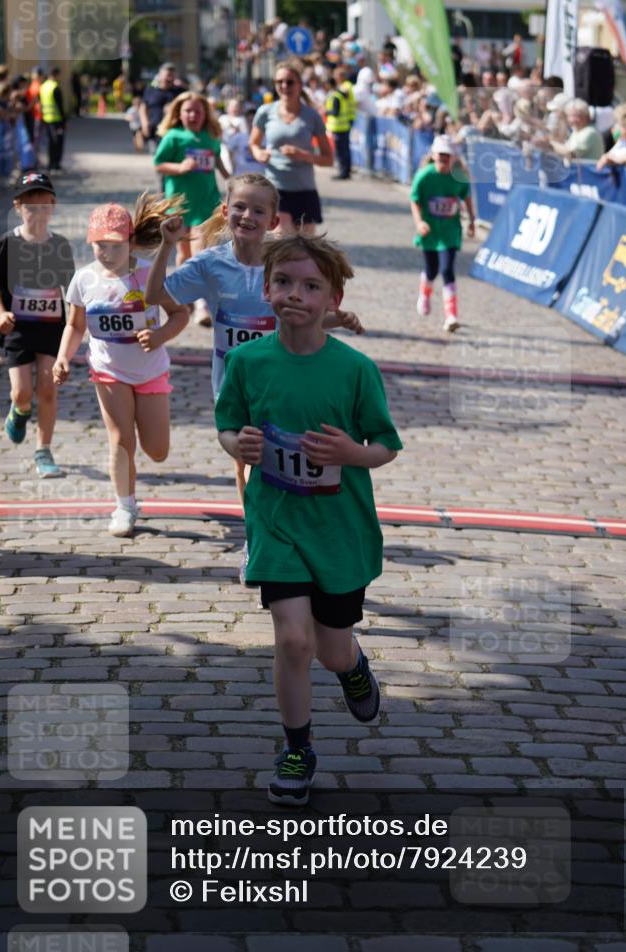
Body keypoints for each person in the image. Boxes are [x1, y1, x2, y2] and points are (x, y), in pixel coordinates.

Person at [214, 233, 402, 805]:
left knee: (330, 648)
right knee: (294, 640)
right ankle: (298, 748)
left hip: (339, 531)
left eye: (312, 285)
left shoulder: (354, 369)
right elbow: (228, 425)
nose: (296, 294)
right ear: (267, 288)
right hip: (276, 523)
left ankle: (352, 668)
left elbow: (386, 444)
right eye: (285, 282)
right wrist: (237, 444)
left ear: (333, 298)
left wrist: (351, 454)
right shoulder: (247, 362)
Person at [144, 173, 364, 579]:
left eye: (259, 210)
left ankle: (289, 536)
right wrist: (168, 246)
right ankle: (257, 538)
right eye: (240, 207)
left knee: (282, 460)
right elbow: (156, 295)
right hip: (233, 386)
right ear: (226, 211)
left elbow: (301, 314)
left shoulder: (282, 263)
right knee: (247, 465)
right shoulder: (211, 264)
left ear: (272, 220)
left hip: (284, 381)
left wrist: (338, 319)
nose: (248, 216)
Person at [52, 197, 189, 536]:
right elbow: (75, 325)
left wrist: (158, 337)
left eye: (114, 245)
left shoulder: (149, 276)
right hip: (108, 369)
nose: (105, 252)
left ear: (130, 242)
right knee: (121, 438)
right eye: (99, 244)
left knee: (157, 451)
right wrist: (63, 357)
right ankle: (124, 507)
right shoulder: (84, 279)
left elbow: (180, 314)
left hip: (151, 369)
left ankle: (132, 491)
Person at [0, 172, 75, 477]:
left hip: (52, 329)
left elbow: (72, 291)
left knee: (48, 389)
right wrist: (0, 314)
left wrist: (77, 326)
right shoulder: (8, 243)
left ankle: (43, 451)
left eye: (43, 203)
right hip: (19, 330)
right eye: (29, 204)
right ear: (17, 207)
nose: (36, 210)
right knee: (22, 392)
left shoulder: (60, 245)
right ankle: (20, 410)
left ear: (53, 205)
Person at [250, 58, 333, 235]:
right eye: (279, 82)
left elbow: (328, 159)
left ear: (299, 85)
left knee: (305, 247)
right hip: (276, 186)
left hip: (305, 188)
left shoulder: (311, 116)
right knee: (281, 238)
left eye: (289, 82)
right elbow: (254, 143)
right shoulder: (265, 112)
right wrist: (259, 153)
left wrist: (304, 155)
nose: (284, 86)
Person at [154, 92, 229, 267]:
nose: (193, 115)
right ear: (179, 113)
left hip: (206, 200)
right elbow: (159, 163)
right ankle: (182, 288)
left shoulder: (211, 136)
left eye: (198, 111)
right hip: (180, 203)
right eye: (188, 111)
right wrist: (180, 168)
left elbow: (217, 159)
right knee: (184, 252)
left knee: (201, 250)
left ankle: (199, 291)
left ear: (206, 114)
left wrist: (229, 179)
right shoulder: (173, 136)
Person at [410, 134, 475, 333]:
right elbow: (415, 199)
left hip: (449, 231)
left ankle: (451, 316)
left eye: (447, 155)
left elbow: (466, 198)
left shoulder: (459, 177)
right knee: (432, 270)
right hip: (430, 231)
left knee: (447, 270)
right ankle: (425, 294)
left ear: (453, 157)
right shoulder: (424, 176)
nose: (444, 159)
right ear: (433, 155)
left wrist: (471, 221)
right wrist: (419, 222)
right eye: (440, 155)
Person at [139, 62, 182, 154]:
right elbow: (143, 107)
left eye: (172, 75)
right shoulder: (150, 90)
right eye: (168, 75)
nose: (170, 78)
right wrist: (144, 122)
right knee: (158, 157)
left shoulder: (180, 92)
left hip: (173, 132)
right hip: (154, 132)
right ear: (160, 75)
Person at [39, 67, 66, 172]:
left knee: (51, 143)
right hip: (57, 120)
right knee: (58, 143)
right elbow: (60, 106)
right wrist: (64, 121)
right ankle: (56, 164)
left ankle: (51, 163)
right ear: (56, 75)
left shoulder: (43, 86)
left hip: (46, 119)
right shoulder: (55, 87)